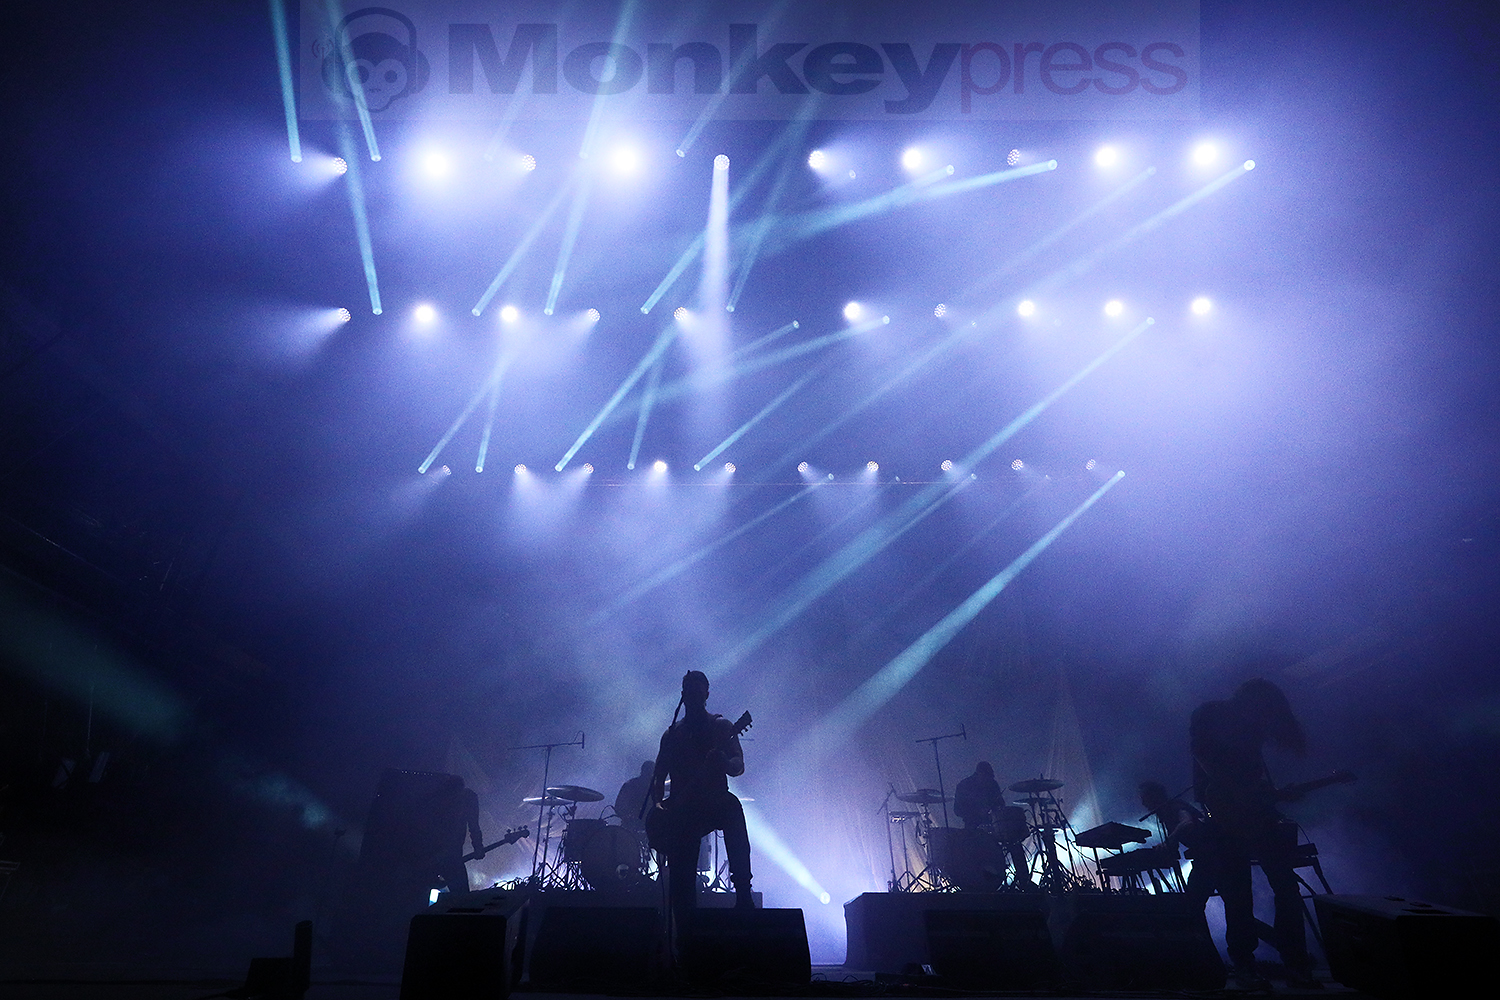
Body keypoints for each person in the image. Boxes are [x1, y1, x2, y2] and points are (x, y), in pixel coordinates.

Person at [1191, 678, 1315, 989]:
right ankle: (1247, 964)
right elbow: (1205, 760)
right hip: (1224, 813)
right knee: (1239, 890)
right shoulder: (1212, 715)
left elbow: (1252, 779)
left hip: (1251, 812)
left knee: (1282, 887)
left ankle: (1295, 964)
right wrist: (1235, 794)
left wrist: (1273, 795)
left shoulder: (1251, 729)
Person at [645, 671, 753, 917]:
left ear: (706, 695)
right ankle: (684, 918)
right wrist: (660, 806)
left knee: (733, 809)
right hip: (684, 809)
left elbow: (739, 765)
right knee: (682, 872)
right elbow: (658, 776)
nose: (694, 698)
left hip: (715, 801)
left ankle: (744, 893)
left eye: (698, 693)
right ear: (683, 696)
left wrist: (724, 761)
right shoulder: (672, 734)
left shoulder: (722, 727)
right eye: (689, 693)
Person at [953, 761, 1032, 887]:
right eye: (985, 777)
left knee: (1015, 842)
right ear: (978, 774)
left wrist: (996, 812)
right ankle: (978, 883)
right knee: (974, 851)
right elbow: (957, 810)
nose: (987, 780)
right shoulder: (964, 785)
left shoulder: (992, 784)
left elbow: (1000, 805)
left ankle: (1024, 881)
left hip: (993, 825)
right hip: (973, 828)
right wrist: (977, 812)